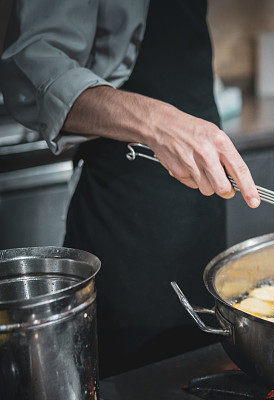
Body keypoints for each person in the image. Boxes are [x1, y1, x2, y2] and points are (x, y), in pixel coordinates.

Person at [1, 0, 260, 376]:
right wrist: (156, 122)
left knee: (205, 367)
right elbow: (34, 65)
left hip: (199, 203)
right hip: (125, 212)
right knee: (133, 394)